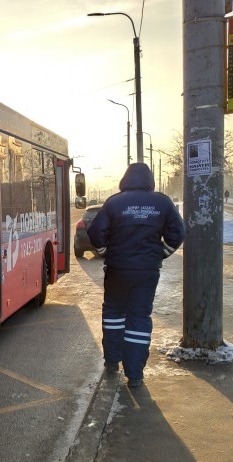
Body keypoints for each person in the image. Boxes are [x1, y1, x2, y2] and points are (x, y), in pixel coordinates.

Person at [86, 162, 185, 388]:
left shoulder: (114, 202)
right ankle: (136, 374)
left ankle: (112, 361)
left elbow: (95, 233)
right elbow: (177, 234)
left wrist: (105, 253)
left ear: (125, 179)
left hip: (117, 270)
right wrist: (161, 254)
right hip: (146, 273)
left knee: (113, 315)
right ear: (149, 180)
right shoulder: (162, 202)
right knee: (139, 318)